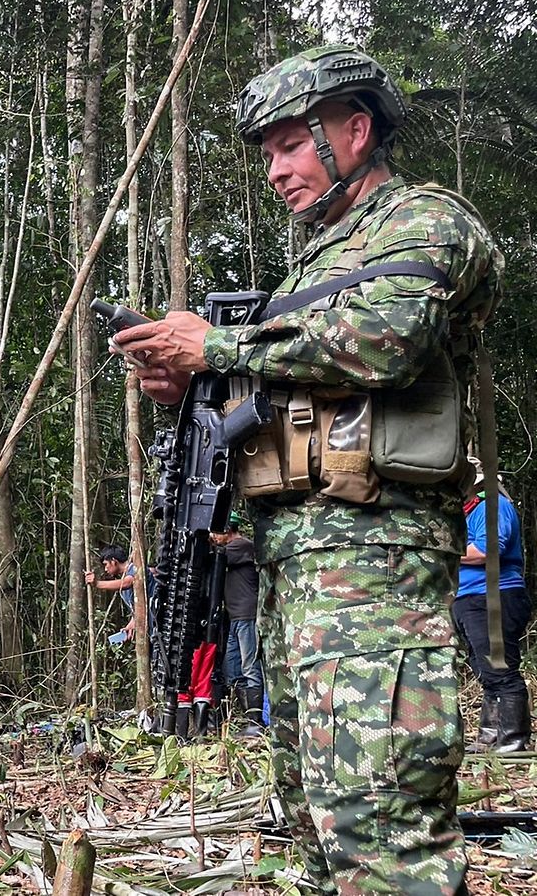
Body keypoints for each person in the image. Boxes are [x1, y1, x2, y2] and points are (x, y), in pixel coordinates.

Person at [114, 44, 502, 895]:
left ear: (355, 131)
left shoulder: (426, 222)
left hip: (377, 564)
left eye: (291, 144)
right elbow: (296, 396)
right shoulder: (314, 262)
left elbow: (387, 339)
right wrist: (191, 384)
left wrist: (214, 343)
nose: (276, 169)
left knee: (380, 827)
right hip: (297, 567)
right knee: (311, 824)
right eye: (268, 153)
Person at [455, 462, 531, 752]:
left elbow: (487, 550)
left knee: (501, 668)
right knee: (484, 668)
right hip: (468, 598)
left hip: (493, 595)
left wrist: (443, 550)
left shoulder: (493, 504)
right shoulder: (467, 511)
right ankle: (490, 735)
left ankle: (513, 739)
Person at [212, 516, 263, 736]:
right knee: (232, 670)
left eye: (216, 532)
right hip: (235, 618)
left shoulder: (241, 545)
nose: (214, 538)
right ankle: (250, 719)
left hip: (246, 615)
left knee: (249, 667)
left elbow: (216, 558)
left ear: (227, 530)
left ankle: (256, 723)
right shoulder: (232, 549)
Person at [85, 544, 137, 638]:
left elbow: (128, 582)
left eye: (106, 564)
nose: (105, 569)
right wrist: (131, 625)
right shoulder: (124, 588)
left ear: (113, 561)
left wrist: (97, 584)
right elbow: (138, 608)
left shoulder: (135, 568)